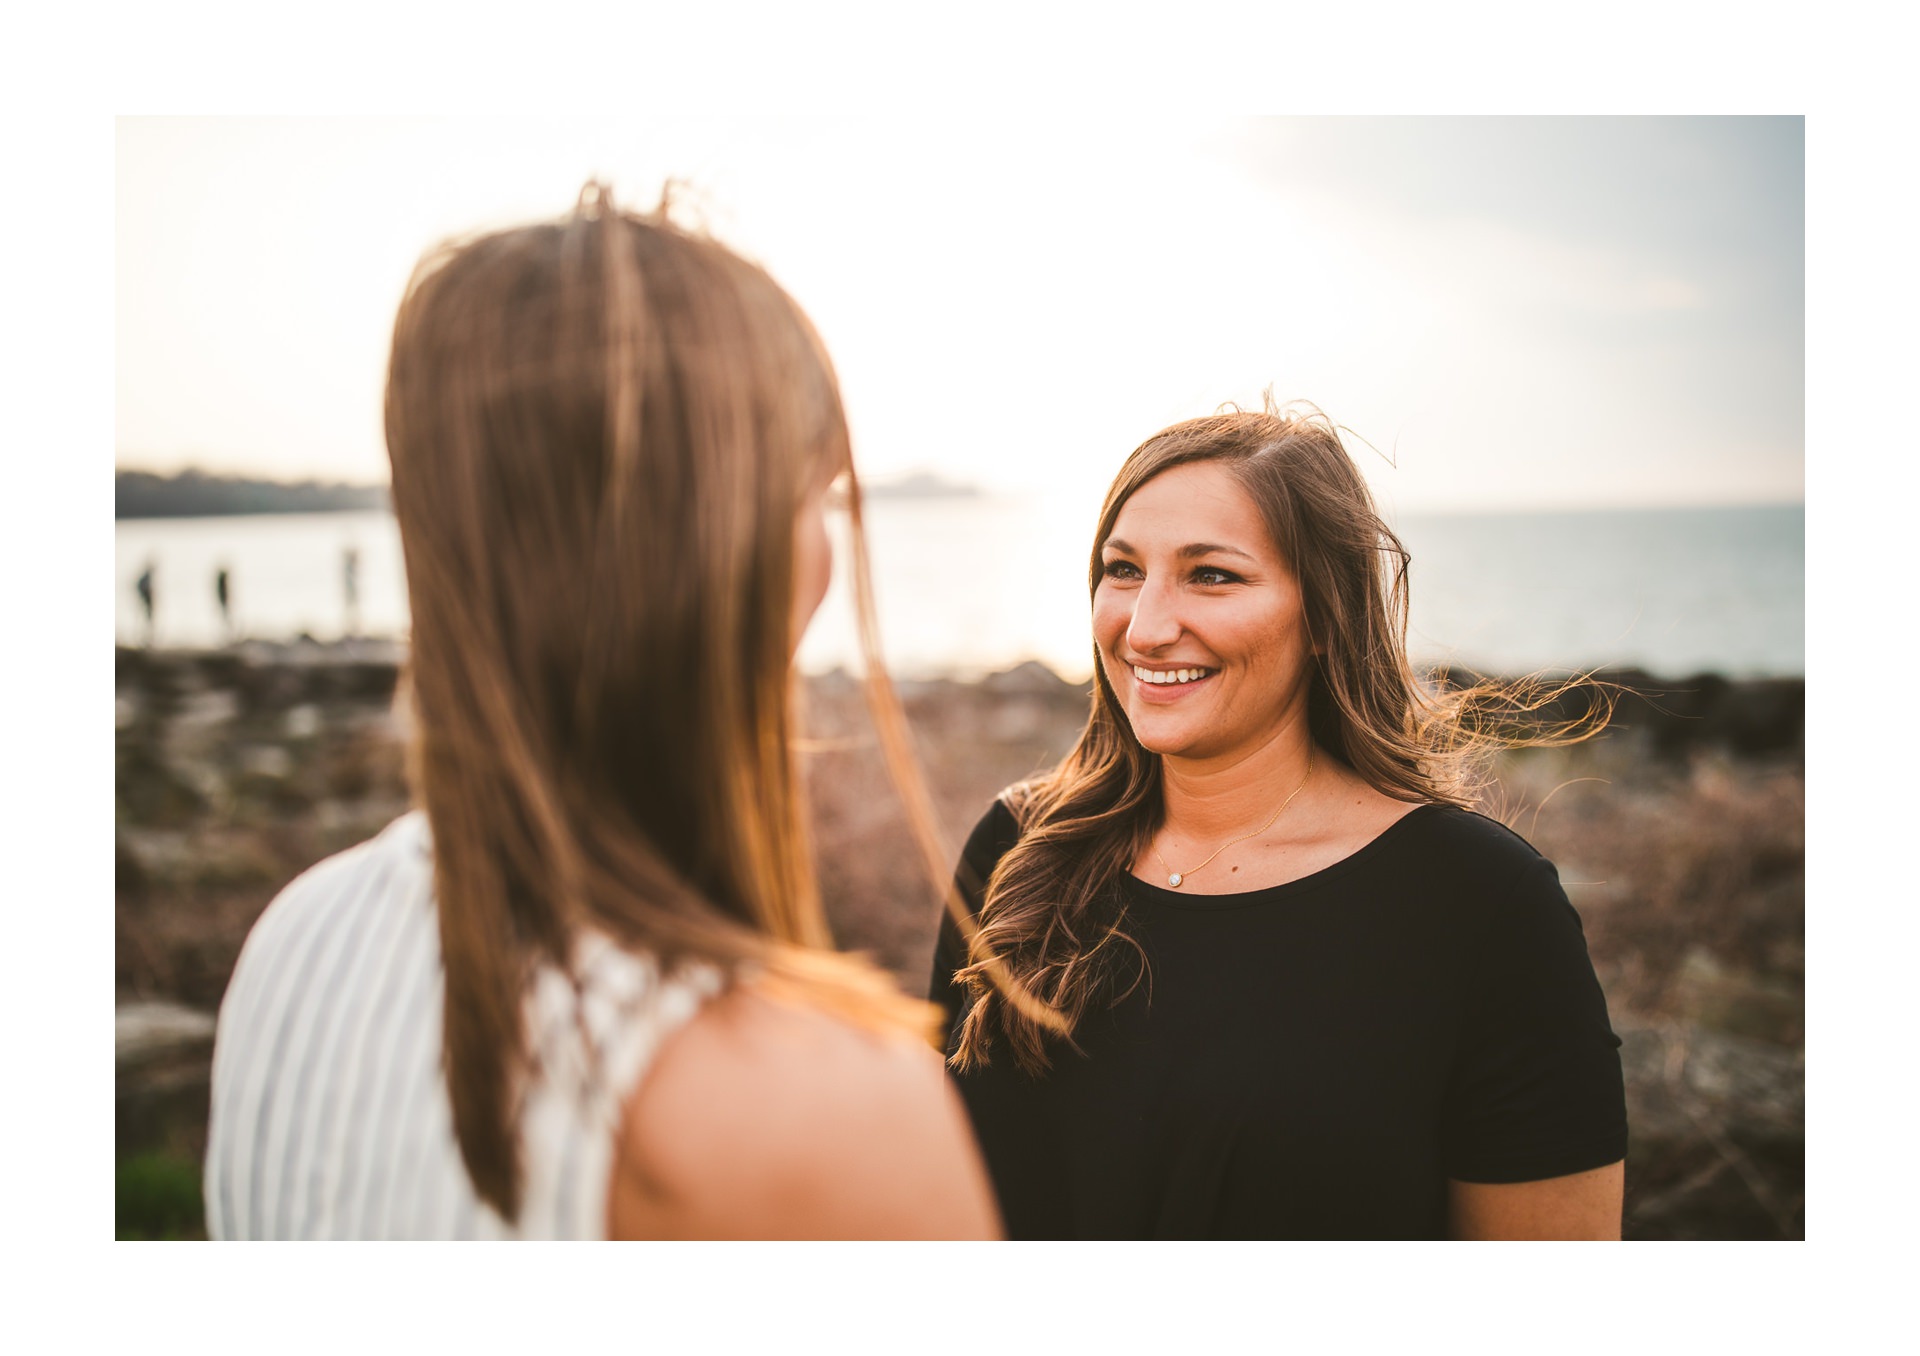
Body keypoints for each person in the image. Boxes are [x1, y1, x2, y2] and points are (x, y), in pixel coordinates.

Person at [204, 185, 1000, 1239]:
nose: (826, 547)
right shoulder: (820, 1107)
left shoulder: (299, 940)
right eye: (815, 499)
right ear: (731, 553)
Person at [930, 402, 1627, 1240]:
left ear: (1328, 617)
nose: (1145, 627)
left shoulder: (1481, 905)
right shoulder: (1016, 846)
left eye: (1211, 575)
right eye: (1123, 571)